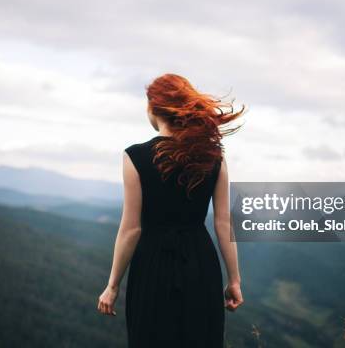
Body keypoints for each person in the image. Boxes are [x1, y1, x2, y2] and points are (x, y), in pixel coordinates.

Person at [97, 73, 246, 347]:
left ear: (154, 108)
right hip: (201, 264)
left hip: (152, 264)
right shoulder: (214, 156)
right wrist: (234, 279)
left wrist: (113, 285)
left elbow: (131, 229)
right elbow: (224, 223)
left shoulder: (135, 156)